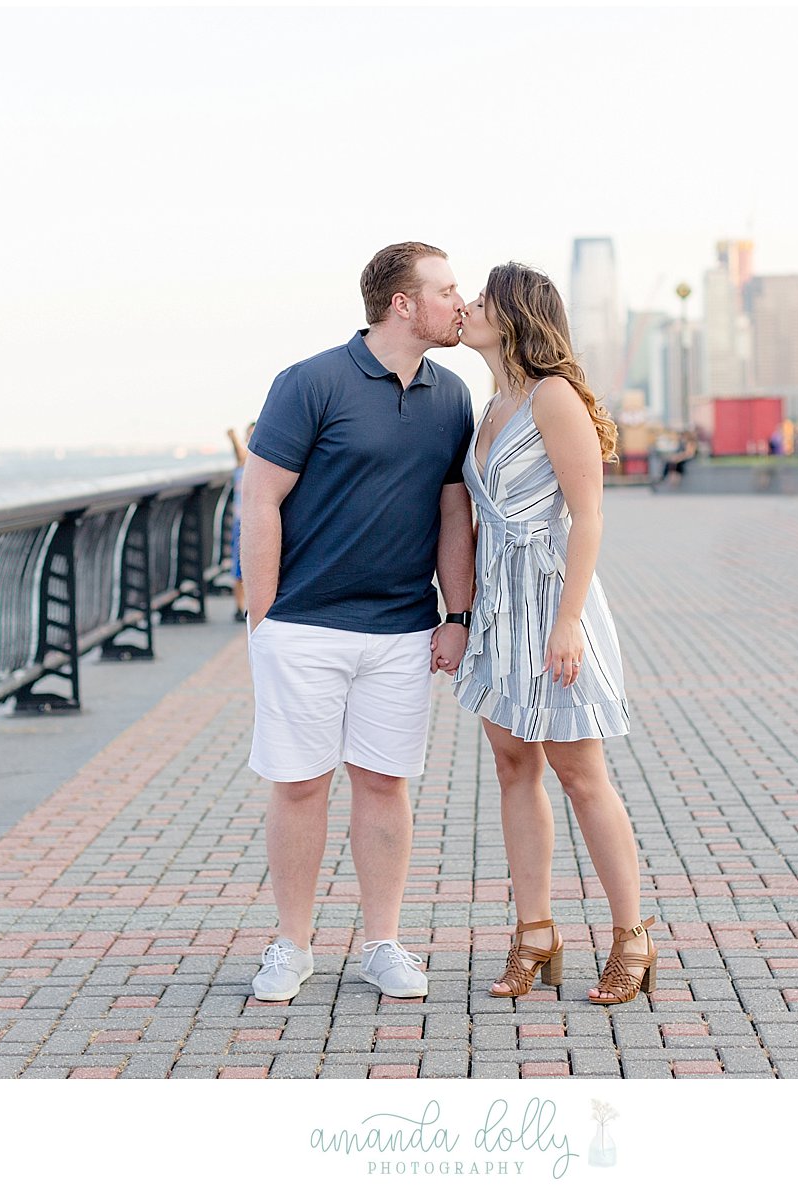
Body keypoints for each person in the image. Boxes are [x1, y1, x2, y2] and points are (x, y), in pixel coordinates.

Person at [239, 242, 475, 1002]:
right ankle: (291, 945)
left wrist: (456, 614)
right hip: (304, 625)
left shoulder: (452, 395)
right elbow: (260, 497)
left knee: (384, 782)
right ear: (402, 304)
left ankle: (382, 942)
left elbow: (451, 510)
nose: (459, 302)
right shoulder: (310, 381)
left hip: (401, 629)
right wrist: (263, 612)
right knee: (300, 784)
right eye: (445, 290)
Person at [454, 262, 655, 1006]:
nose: (466, 308)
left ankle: (631, 935)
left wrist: (568, 619)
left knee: (579, 773)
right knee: (513, 768)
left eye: (479, 299)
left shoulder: (552, 397)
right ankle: (533, 930)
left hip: (551, 606)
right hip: (500, 611)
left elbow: (588, 514)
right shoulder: (492, 404)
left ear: (512, 315)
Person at [224, 422, 255, 622]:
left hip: (255, 521)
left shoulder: (265, 462)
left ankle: (250, 605)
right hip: (241, 521)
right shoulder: (243, 461)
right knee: (239, 566)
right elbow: (240, 453)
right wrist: (233, 437)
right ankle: (239, 606)